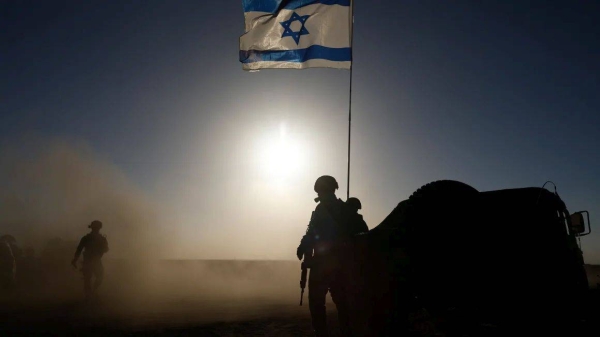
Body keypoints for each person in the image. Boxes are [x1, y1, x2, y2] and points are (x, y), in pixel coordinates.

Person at [297, 175, 357, 337]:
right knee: (343, 304)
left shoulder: (322, 209)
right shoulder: (343, 208)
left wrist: (304, 246)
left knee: (317, 304)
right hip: (341, 264)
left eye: (320, 190)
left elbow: (312, 232)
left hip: (324, 264)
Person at [71, 220, 109, 301]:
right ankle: (89, 295)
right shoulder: (87, 238)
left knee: (96, 277)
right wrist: (75, 259)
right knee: (89, 279)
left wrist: (75, 259)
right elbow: (79, 249)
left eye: (97, 227)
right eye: (95, 227)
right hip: (89, 261)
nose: (96, 228)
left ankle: (91, 293)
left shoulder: (95, 238)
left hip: (93, 260)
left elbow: (106, 249)